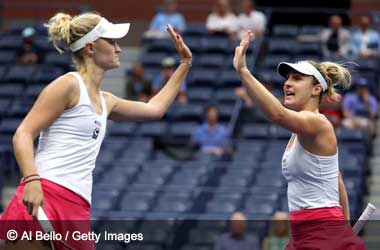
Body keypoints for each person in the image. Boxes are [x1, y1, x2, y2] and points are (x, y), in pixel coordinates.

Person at [0, 12, 192, 249]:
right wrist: (31, 180)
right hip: (45, 192)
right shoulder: (67, 85)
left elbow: (155, 109)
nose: (118, 48)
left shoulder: (107, 100)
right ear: (90, 48)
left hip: (77, 206)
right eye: (111, 42)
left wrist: (184, 64)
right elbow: (23, 133)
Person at [233, 31, 365, 249]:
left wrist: (244, 71)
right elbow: (337, 179)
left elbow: (276, 114)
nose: (287, 83)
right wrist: (345, 227)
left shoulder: (318, 124)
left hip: (322, 232)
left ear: (316, 89)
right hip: (304, 234)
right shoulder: (300, 130)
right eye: (287, 78)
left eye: (296, 78)